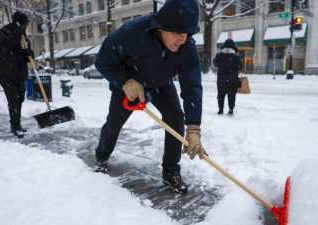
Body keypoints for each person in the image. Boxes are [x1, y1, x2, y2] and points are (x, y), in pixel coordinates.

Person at [93, 0, 207, 194]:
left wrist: (194, 127)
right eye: (177, 32)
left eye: (187, 33)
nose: (182, 38)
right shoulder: (131, 33)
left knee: (176, 118)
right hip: (128, 85)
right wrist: (124, 81)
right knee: (114, 123)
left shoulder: (187, 48)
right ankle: (102, 155)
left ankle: (171, 171)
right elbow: (102, 61)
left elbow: (192, 86)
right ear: (162, 27)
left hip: (161, 84)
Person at [0, 11, 34, 138]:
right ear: (19, 23)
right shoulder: (4, 32)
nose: (27, 26)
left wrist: (29, 53)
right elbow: (8, 45)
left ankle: (17, 124)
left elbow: (26, 57)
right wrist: (19, 31)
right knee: (13, 100)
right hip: (7, 74)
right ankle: (15, 126)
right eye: (25, 24)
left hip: (19, 74)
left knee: (20, 99)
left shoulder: (23, 37)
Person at [213, 39, 243, 116]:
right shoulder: (236, 56)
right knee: (232, 95)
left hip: (221, 79)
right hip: (232, 80)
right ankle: (230, 110)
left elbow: (215, 63)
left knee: (220, 95)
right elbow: (240, 66)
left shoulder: (219, 55)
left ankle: (220, 109)